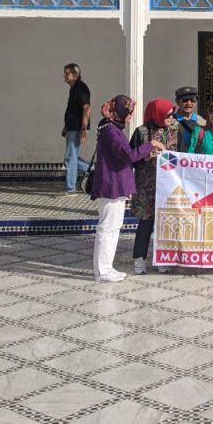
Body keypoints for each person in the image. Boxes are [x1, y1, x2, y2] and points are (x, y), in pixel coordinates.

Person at [89, 96, 163, 282]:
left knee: (113, 227)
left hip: (115, 184)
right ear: (120, 112)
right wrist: (150, 144)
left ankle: (106, 267)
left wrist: (147, 152)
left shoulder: (110, 127)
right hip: (112, 185)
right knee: (108, 228)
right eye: (129, 112)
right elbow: (127, 155)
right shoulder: (111, 131)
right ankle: (103, 270)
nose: (130, 116)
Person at [129, 98, 180, 275]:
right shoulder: (141, 132)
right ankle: (140, 259)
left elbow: (181, 155)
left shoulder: (175, 130)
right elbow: (130, 157)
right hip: (146, 185)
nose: (170, 118)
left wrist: (166, 154)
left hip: (168, 184)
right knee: (146, 223)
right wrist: (146, 155)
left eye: (172, 115)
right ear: (156, 114)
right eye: (167, 115)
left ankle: (162, 259)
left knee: (164, 223)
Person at [60, 63, 91, 196]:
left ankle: (70, 188)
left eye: (67, 73)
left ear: (75, 75)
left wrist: (83, 129)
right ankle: (93, 169)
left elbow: (86, 108)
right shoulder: (73, 89)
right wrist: (66, 125)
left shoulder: (81, 89)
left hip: (77, 128)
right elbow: (72, 109)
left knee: (71, 157)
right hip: (72, 127)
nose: (64, 76)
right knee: (70, 157)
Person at [173, 85, 205, 152]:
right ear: (177, 101)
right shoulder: (171, 121)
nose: (189, 103)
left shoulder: (202, 122)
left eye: (193, 100)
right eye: (185, 100)